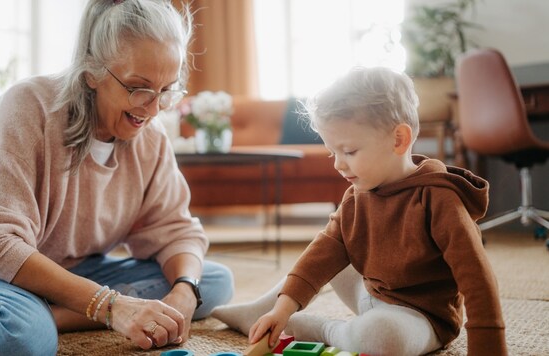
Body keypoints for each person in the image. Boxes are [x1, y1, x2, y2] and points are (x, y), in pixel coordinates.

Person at [0, 0, 234, 354]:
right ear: (91, 72)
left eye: (166, 90)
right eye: (138, 87)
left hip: (68, 266)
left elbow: (176, 230)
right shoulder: (28, 106)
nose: (153, 107)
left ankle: (52, 314)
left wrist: (183, 291)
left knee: (209, 281)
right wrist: (110, 306)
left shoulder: (152, 138)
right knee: (19, 332)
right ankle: (28, 315)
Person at [212, 67, 507, 355]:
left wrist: (488, 342)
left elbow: (476, 275)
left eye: (349, 151)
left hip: (420, 318)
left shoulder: (438, 198)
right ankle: (264, 311)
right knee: (324, 257)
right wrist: (283, 307)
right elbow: (320, 256)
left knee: (381, 338)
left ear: (398, 140)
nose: (338, 164)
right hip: (371, 294)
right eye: (332, 152)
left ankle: (326, 329)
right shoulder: (357, 195)